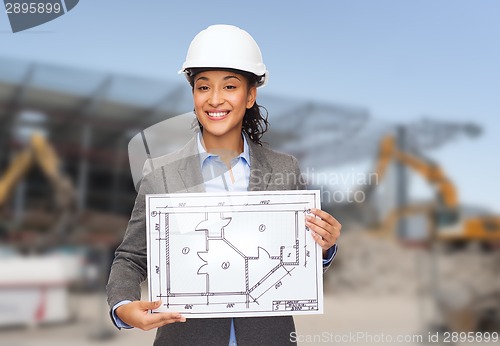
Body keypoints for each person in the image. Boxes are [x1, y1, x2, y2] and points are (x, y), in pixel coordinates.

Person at [106, 24, 341, 346]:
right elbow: (131, 257)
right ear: (193, 95)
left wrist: (325, 248)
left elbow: (296, 262)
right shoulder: (159, 174)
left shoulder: (285, 170)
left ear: (250, 95)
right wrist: (123, 306)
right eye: (203, 87)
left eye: (229, 87)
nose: (215, 100)